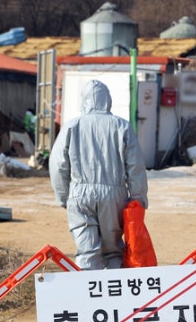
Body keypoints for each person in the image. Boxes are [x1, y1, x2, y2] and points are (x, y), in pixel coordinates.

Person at [49, 80, 148, 270]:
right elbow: (135, 167)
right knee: (114, 251)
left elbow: (58, 165)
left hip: (79, 195)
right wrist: (138, 198)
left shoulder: (71, 126)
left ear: (83, 101)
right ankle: (116, 295)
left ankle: (88, 294)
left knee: (86, 251)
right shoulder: (122, 127)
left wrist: (63, 197)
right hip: (115, 196)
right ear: (108, 100)